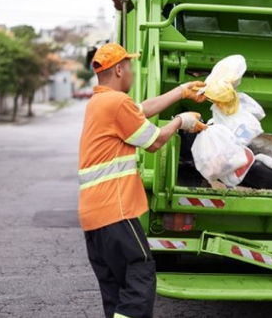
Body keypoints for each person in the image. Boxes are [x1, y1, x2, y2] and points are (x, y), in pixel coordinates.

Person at [78, 43, 207, 318]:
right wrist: (180, 122)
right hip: (115, 210)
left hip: (94, 216)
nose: (133, 72)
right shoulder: (115, 103)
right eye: (130, 66)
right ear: (119, 69)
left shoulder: (100, 102)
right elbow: (155, 141)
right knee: (140, 271)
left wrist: (181, 91)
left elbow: (141, 110)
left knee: (117, 287)